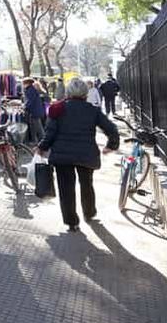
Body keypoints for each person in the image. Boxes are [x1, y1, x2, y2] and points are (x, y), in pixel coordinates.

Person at [37, 78, 119, 232]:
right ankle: (89, 212)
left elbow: (50, 133)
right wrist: (111, 145)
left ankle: (71, 221)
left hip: (62, 156)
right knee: (86, 184)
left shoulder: (57, 109)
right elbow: (111, 129)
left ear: (68, 92)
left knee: (66, 189)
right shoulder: (92, 110)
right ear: (85, 93)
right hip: (86, 154)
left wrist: (42, 147)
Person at [22, 77, 46, 144]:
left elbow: (30, 101)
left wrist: (25, 107)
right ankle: (35, 141)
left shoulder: (30, 90)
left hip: (34, 111)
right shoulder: (32, 89)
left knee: (38, 127)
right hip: (36, 110)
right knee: (34, 127)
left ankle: (43, 140)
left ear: (27, 83)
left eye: (24, 83)